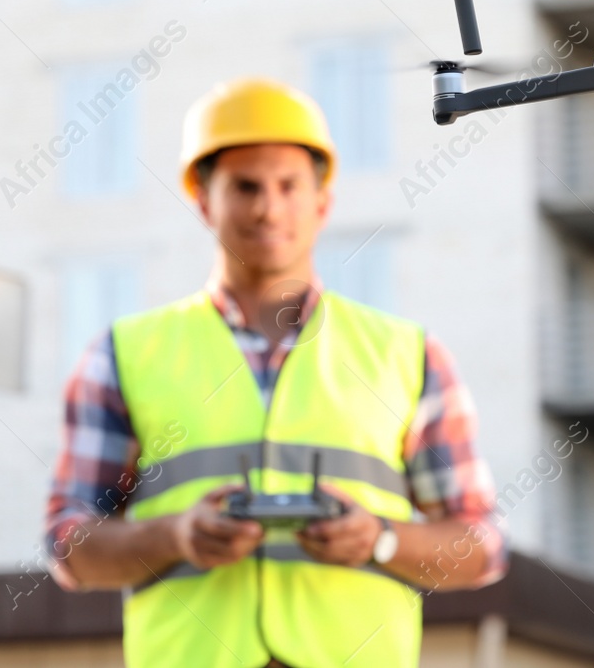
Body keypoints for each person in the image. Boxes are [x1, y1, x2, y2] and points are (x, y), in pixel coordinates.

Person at [44, 78, 505, 667]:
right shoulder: (122, 354)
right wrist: (175, 535)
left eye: (288, 186)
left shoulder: (408, 355)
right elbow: (68, 546)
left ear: (322, 202)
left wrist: (380, 539)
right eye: (245, 187)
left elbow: (481, 545)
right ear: (203, 200)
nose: (268, 207)